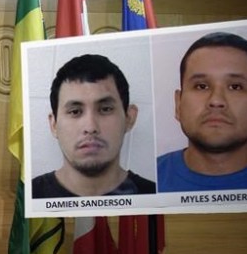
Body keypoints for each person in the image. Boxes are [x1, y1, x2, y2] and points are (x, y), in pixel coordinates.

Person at [157, 31, 247, 191]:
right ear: (178, 103)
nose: (216, 101)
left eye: (235, 87)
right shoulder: (147, 183)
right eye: (201, 86)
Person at [32, 54, 155, 198]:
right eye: (75, 111)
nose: (90, 127)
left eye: (105, 109)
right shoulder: (31, 198)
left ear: (129, 118)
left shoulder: (155, 196)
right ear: (54, 124)